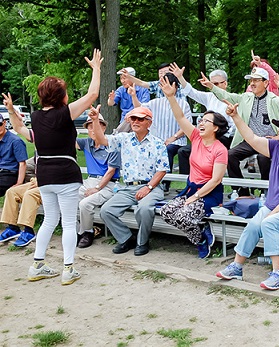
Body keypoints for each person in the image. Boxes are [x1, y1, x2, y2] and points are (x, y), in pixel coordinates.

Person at [7, 49, 103, 285]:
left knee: (50, 219)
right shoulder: (65, 113)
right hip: (66, 174)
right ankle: (68, 268)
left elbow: (22, 131)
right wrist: (97, 68)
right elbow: (92, 94)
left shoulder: (37, 117)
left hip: (45, 176)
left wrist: (11, 110)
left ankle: (37, 264)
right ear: (61, 97)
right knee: (68, 222)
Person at [216, 109, 279, 290]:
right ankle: (237, 267)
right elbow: (252, 139)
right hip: (275, 205)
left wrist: (275, 212)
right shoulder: (276, 147)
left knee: (269, 223)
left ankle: (278, 274)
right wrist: (236, 117)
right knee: (254, 225)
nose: (278, 131)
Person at [159, 76, 229, 258]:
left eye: (206, 121)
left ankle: (202, 240)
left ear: (216, 128)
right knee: (166, 212)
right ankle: (200, 231)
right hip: (191, 190)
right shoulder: (196, 137)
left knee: (182, 215)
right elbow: (180, 117)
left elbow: (216, 180)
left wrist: (196, 197)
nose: (201, 122)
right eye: (201, 119)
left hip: (209, 195)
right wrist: (171, 97)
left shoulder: (220, 150)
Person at [93, 106, 169, 256]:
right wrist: (95, 120)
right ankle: (126, 238)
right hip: (128, 188)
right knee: (106, 210)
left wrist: (148, 187)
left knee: (144, 208)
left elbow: (162, 170)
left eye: (140, 119)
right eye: (133, 118)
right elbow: (101, 139)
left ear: (149, 122)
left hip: (151, 187)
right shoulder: (124, 138)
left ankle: (142, 241)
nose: (135, 121)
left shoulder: (158, 143)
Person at [201, 67, 279, 196]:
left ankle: (267, 190)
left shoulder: (274, 100)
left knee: (263, 158)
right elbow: (227, 96)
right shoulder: (246, 98)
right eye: (251, 80)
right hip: (250, 139)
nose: (252, 83)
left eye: (256, 80)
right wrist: (211, 87)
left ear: (266, 83)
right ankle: (241, 190)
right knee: (230, 155)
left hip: (267, 140)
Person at [130, 72, 191, 174]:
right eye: (162, 85)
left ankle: (166, 182)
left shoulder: (183, 104)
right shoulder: (156, 102)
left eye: (168, 85)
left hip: (177, 141)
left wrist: (173, 137)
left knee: (167, 150)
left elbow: (187, 126)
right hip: (157, 140)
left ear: (175, 87)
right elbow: (139, 109)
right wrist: (133, 96)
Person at [76, 114, 121, 248]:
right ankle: (76, 231)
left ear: (104, 127)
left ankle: (88, 232)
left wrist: (97, 188)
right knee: (67, 198)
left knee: (85, 204)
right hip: (89, 180)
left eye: (96, 126)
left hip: (108, 184)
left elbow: (111, 171)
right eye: (90, 127)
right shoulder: (86, 143)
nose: (93, 130)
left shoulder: (112, 145)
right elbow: (66, 139)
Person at [0, 95, 39, 247]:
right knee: (12, 192)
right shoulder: (38, 141)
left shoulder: (59, 142)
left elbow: (22, 164)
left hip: (52, 181)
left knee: (29, 194)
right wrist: (10, 109)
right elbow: (19, 127)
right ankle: (12, 228)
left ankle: (28, 231)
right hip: (38, 178)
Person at [0, 113, 28, 197]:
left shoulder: (15, 141)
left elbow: (22, 164)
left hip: (10, 174)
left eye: (0, 124)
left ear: (4, 123)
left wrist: (19, 183)